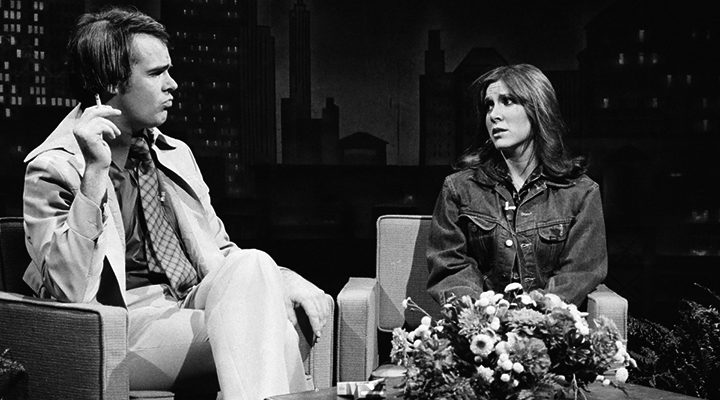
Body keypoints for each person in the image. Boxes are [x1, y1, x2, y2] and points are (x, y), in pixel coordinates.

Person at [22, 7, 331, 400]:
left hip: (187, 299)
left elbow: (222, 251)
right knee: (268, 329)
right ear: (110, 82)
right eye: (156, 73)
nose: (173, 85)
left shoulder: (174, 154)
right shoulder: (54, 167)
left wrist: (281, 279)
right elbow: (67, 292)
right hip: (119, 325)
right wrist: (94, 174)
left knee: (253, 262)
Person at [427, 63, 607, 307]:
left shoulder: (580, 192)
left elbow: (580, 273)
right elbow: (450, 267)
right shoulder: (459, 188)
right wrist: (484, 316)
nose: (494, 115)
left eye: (507, 101)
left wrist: (533, 316)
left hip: (548, 324)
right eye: (489, 105)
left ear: (537, 109)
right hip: (480, 325)